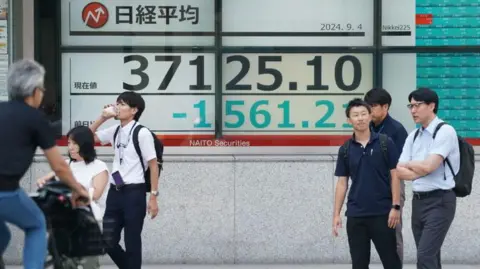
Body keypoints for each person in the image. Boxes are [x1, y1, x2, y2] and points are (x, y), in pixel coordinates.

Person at [0, 59, 89, 268]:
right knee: (36, 224)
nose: (43, 93)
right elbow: (59, 166)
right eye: (42, 89)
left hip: (8, 190)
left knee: (3, 234)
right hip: (5, 191)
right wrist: (78, 189)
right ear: (33, 91)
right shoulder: (35, 118)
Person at [89, 91, 159, 269]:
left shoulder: (142, 133)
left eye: (122, 104)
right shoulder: (116, 131)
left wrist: (153, 197)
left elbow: (153, 165)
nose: (117, 107)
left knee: (132, 241)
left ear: (134, 110)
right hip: (115, 192)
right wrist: (102, 118)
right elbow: (85, 139)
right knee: (107, 240)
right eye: (117, 103)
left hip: (134, 194)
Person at [333, 98, 402, 269]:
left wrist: (395, 206)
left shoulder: (385, 143)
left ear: (371, 116)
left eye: (364, 114)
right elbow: (342, 183)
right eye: (355, 115)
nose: (360, 118)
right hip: (356, 215)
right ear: (349, 120)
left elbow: (395, 176)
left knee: (391, 262)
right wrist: (336, 214)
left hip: (383, 214)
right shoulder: (346, 149)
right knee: (359, 264)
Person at [396, 88, 458, 269]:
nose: (413, 110)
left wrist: (416, 166)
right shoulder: (413, 136)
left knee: (424, 254)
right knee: (429, 255)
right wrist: (421, 169)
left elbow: (429, 166)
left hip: (440, 200)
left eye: (417, 105)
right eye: (411, 106)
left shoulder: (445, 131)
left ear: (431, 106)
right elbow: (399, 170)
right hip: (419, 201)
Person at [36, 125, 109, 269]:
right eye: (69, 143)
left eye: (75, 143)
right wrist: (44, 183)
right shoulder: (66, 165)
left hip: (87, 222)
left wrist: (74, 192)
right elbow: (45, 181)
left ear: (85, 144)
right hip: (63, 221)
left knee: (89, 263)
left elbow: (96, 194)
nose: (71, 147)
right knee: (64, 262)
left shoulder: (99, 166)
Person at [364, 88, 408, 265]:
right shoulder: (366, 127)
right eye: (367, 106)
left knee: (392, 230)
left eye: (373, 106)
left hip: (392, 184)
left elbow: (400, 165)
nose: (369, 110)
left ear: (385, 107)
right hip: (370, 184)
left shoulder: (396, 130)